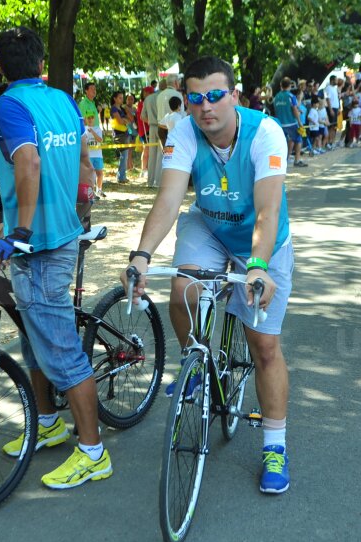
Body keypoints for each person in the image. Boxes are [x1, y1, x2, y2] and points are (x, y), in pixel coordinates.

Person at [122, 55, 294, 494]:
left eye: (216, 95)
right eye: (195, 97)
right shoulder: (184, 131)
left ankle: (275, 446)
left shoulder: (266, 133)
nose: (205, 107)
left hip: (260, 238)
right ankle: (194, 362)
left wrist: (257, 267)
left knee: (265, 346)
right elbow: (169, 200)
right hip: (210, 227)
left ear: (234, 96)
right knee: (183, 292)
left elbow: (268, 209)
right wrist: (141, 256)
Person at [0, 27, 103, 490]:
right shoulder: (62, 99)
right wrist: (85, 198)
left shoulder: (9, 106)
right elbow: (82, 158)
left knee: (61, 349)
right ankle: (49, 422)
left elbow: (30, 163)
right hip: (59, 232)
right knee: (34, 339)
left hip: (39, 242)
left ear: (1, 69)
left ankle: (93, 451)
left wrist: (18, 230)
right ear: (40, 64)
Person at [272, 78, 305, 168]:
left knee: (284, 142)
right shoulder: (291, 96)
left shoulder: (276, 97)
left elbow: (276, 110)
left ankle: (283, 161)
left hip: (280, 123)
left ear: (281, 85)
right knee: (298, 140)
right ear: (290, 85)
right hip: (291, 123)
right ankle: (297, 160)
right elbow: (294, 109)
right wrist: (299, 121)